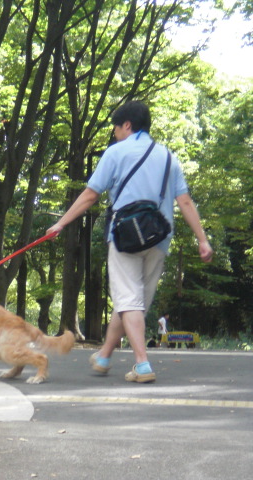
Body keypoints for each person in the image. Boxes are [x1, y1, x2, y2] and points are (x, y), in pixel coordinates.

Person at [46, 100, 213, 383]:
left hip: (125, 237)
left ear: (127, 125)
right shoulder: (169, 157)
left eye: (115, 127)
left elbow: (90, 195)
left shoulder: (116, 153)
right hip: (159, 237)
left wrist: (62, 223)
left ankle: (142, 364)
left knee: (128, 301)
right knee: (133, 302)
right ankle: (104, 356)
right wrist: (202, 239)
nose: (114, 134)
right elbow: (184, 200)